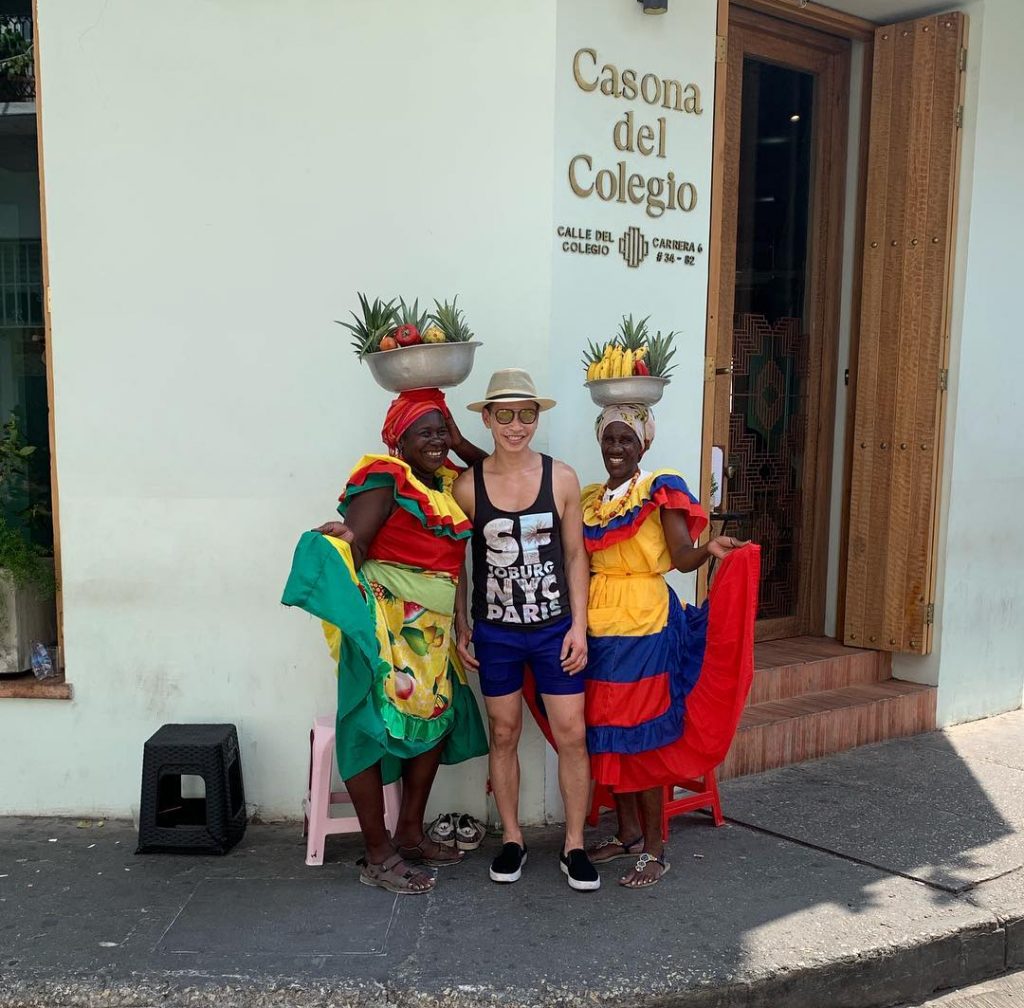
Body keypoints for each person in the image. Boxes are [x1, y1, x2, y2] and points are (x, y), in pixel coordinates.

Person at [282, 388, 489, 895]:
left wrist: (462, 623)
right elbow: (357, 538)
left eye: (442, 430)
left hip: (433, 631)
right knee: (369, 727)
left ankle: (411, 835)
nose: (437, 440)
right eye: (427, 431)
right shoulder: (386, 478)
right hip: (387, 624)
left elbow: (494, 479)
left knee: (433, 722)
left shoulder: (447, 487)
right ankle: (378, 853)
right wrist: (342, 539)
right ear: (399, 440)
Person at [581, 404, 758, 888]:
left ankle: (656, 849)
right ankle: (629, 835)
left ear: (644, 445)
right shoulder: (590, 500)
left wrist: (710, 550)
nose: (616, 448)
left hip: (646, 622)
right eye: (609, 438)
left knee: (644, 732)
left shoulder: (659, 489)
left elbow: (681, 558)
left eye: (627, 440)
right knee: (606, 729)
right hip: (599, 622)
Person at [453, 369, 599, 892]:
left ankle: (574, 844)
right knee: (504, 732)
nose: (517, 426)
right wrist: (461, 622)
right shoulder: (467, 486)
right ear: (488, 419)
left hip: (553, 628)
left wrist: (579, 625)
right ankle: (512, 838)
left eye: (527, 414)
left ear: (538, 418)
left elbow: (577, 554)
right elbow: (457, 561)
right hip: (497, 633)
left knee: (573, 735)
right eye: (506, 415)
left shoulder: (560, 478)